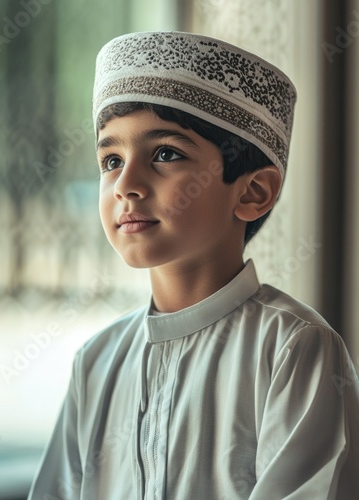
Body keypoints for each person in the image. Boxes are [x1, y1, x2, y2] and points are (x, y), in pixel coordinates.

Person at [28, 31, 359, 500]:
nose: (126, 184)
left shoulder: (295, 350)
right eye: (111, 159)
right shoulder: (97, 362)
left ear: (252, 191)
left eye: (165, 154)